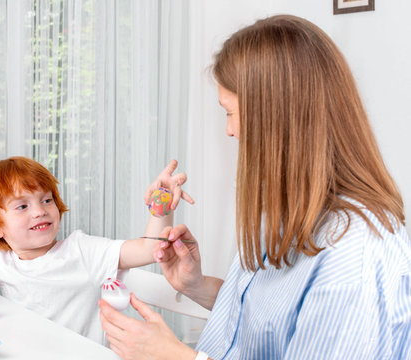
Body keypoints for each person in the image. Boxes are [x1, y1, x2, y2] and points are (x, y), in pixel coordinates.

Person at [99, 15, 411, 359]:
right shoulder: (289, 208)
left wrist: (175, 356)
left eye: (230, 113)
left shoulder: (355, 255)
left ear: (277, 117)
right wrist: (196, 285)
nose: (230, 131)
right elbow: (267, 324)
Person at [0, 156, 193, 345]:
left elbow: (149, 249)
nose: (40, 210)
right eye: (22, 206)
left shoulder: (81, 251)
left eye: (46, 200)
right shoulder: (2, 260)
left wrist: (162, 204)